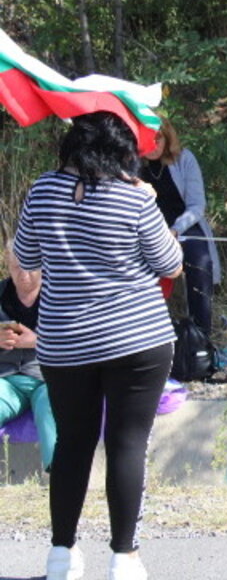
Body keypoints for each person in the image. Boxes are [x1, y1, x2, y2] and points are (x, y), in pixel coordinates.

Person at [14, 111, 184, 580]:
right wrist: (151, 203)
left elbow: (26, 258)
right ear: (121, 152)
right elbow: (170, 263)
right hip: (137, 338)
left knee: (73, 443)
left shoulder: (42, 190)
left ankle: (61, 555)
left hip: (66, 340)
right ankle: (123, 558)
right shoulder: (134, 197)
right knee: (127, 444)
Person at [138, 116, 221, 334]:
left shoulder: (185, 159)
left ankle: (201, 333)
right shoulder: (131, 165)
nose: (154, 147)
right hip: (145, 229)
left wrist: (174, 230)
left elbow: (196, 206)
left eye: (159, 140)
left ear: (167, 139)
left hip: (182, 226)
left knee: (200, 260)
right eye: (148, 140)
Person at [0, 242, 55, 472]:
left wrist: (38, 340)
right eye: (15, 268)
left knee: (52, 406)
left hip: (47, 376)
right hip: (6, 378)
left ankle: (61, 474)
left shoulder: (59, 295)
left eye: (29, 268)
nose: (22, 276)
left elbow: (83, 339)